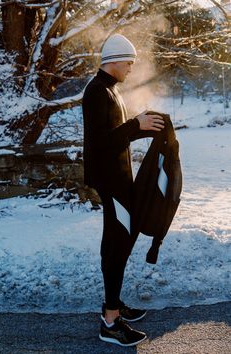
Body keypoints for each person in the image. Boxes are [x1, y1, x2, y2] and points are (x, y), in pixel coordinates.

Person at [82, 34, 164, 347]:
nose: (131, 67)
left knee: (120, 240)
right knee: (118, 243)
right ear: (114, 60)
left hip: (118, 181)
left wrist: (145, 129)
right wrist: (135, 125)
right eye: (128, 62)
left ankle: (112, 303)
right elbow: (100, 143)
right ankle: (111, 321)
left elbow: (116, 136)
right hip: (111, 182)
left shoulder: (109, 89)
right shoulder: (96, 92)